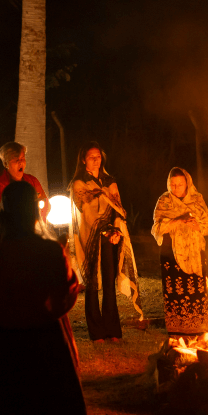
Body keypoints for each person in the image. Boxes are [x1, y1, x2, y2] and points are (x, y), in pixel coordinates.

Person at [0, 181, 90, 415]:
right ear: (33, 212)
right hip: (43, 338)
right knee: (47, 401)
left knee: (14, 402)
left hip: (8, 341)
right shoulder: (48, 251)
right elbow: (65, 294)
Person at [69, 142, 143, 342]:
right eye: (91, 156)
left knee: (109, 283)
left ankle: (112, 329)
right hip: (90, 238)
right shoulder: (79, 183)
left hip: (111, 237)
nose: (95, 160)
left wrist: (116, 229)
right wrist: (104, 230)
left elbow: (117, 208)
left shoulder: (109, 182)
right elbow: (85, 214)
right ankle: (96, 332)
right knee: (93, 283)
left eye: (98, 156)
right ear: (83, 160)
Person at [152, 168, 208, 335]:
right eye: (173, 184)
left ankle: (197, 326)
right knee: (176, 289)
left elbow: (207, 221)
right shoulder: (164, 201)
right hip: (171, 251)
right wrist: (178, 220)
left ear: (187, 183)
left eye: (180, 184)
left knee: (195, 287)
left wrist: (197, 225)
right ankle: (177, 328)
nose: (176, 187)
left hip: (194, 250)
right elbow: (157, 227)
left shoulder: (197, 198)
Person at [0, 141, 50, 237]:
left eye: (22, 158)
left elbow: (45, 205)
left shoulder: (32, 180)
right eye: (15, 159)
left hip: (32, 231)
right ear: (5, 163)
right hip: (4, 234)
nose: (20, 162)